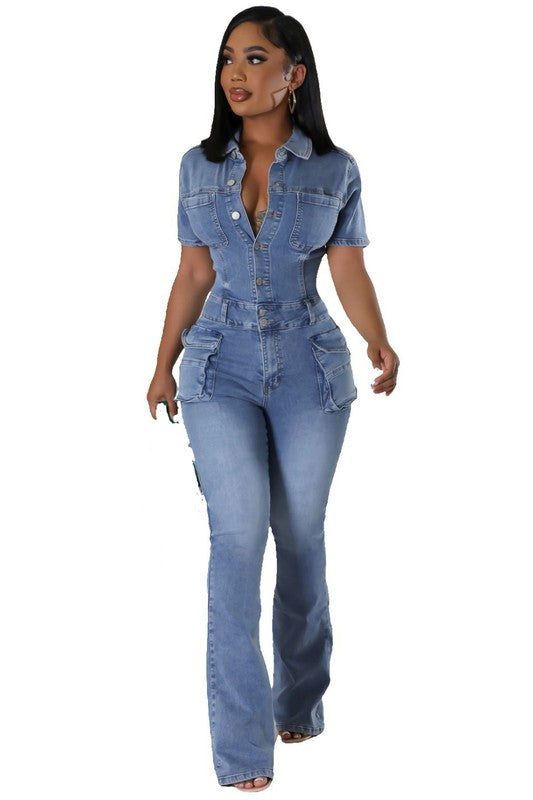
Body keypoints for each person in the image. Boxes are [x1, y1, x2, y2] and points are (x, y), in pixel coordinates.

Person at [147, 6, 400, 792]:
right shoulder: (196, 166)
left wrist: (377, 339)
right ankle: (242, 749)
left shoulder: (334, 169)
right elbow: (194, 272)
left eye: (254, 58)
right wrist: (161, 364)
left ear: (294, 74)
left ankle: (299, 701)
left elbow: (347, 267)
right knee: (236, 540)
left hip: (307, 366)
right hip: (217, 364)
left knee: (298, 536)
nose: (235, 73)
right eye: (228, 57)